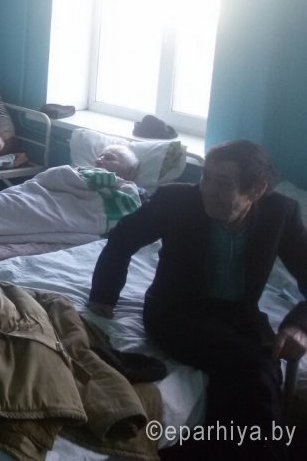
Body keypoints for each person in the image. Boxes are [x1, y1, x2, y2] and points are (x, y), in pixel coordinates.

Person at [89, 139, 307, 459]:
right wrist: (104, 294)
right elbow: (123, 238)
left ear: (257, 190)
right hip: (176, 312)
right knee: (254, 366)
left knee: (265, 364)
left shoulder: (281, 213)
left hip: (239, 314)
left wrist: (299, 325)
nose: (207, 190)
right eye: (206, 177)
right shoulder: (176, 201)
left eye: (223, 182)